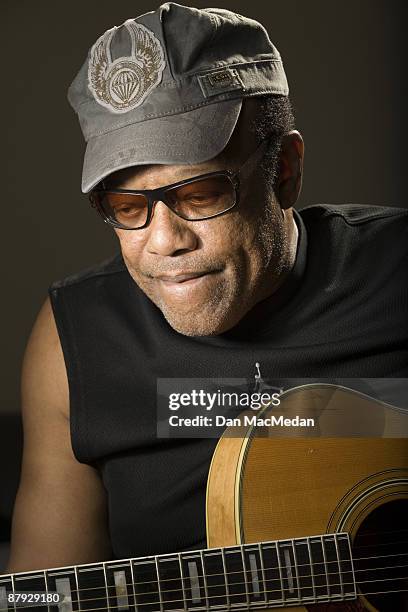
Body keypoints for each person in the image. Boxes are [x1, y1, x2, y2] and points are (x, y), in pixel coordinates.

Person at [6, 3, 407, 574]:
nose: (165, 241)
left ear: (285, 170)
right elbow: (36, 593)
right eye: (126, 206)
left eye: (199, 194)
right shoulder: (74, 340)